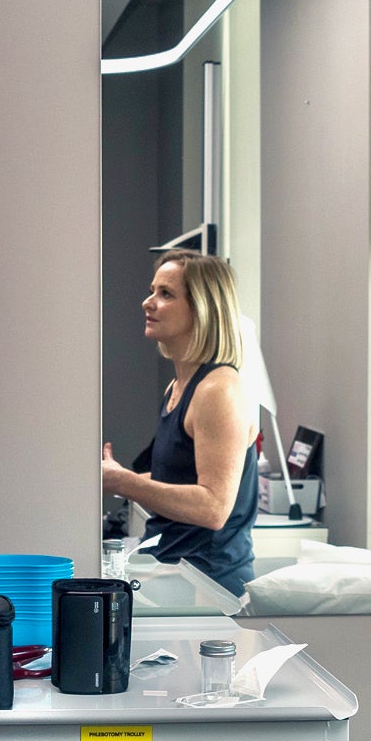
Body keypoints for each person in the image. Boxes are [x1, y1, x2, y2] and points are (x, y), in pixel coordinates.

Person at [102, 250, 259, 593]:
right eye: (152, 290)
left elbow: (214, 507)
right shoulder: (181, 385)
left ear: (202, 309)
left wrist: (123, 483)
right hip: (174, 573)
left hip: (208, 586)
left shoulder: (219, 391)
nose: (148, 302)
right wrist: (110, 477)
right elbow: (176, 477)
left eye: (166, 294)